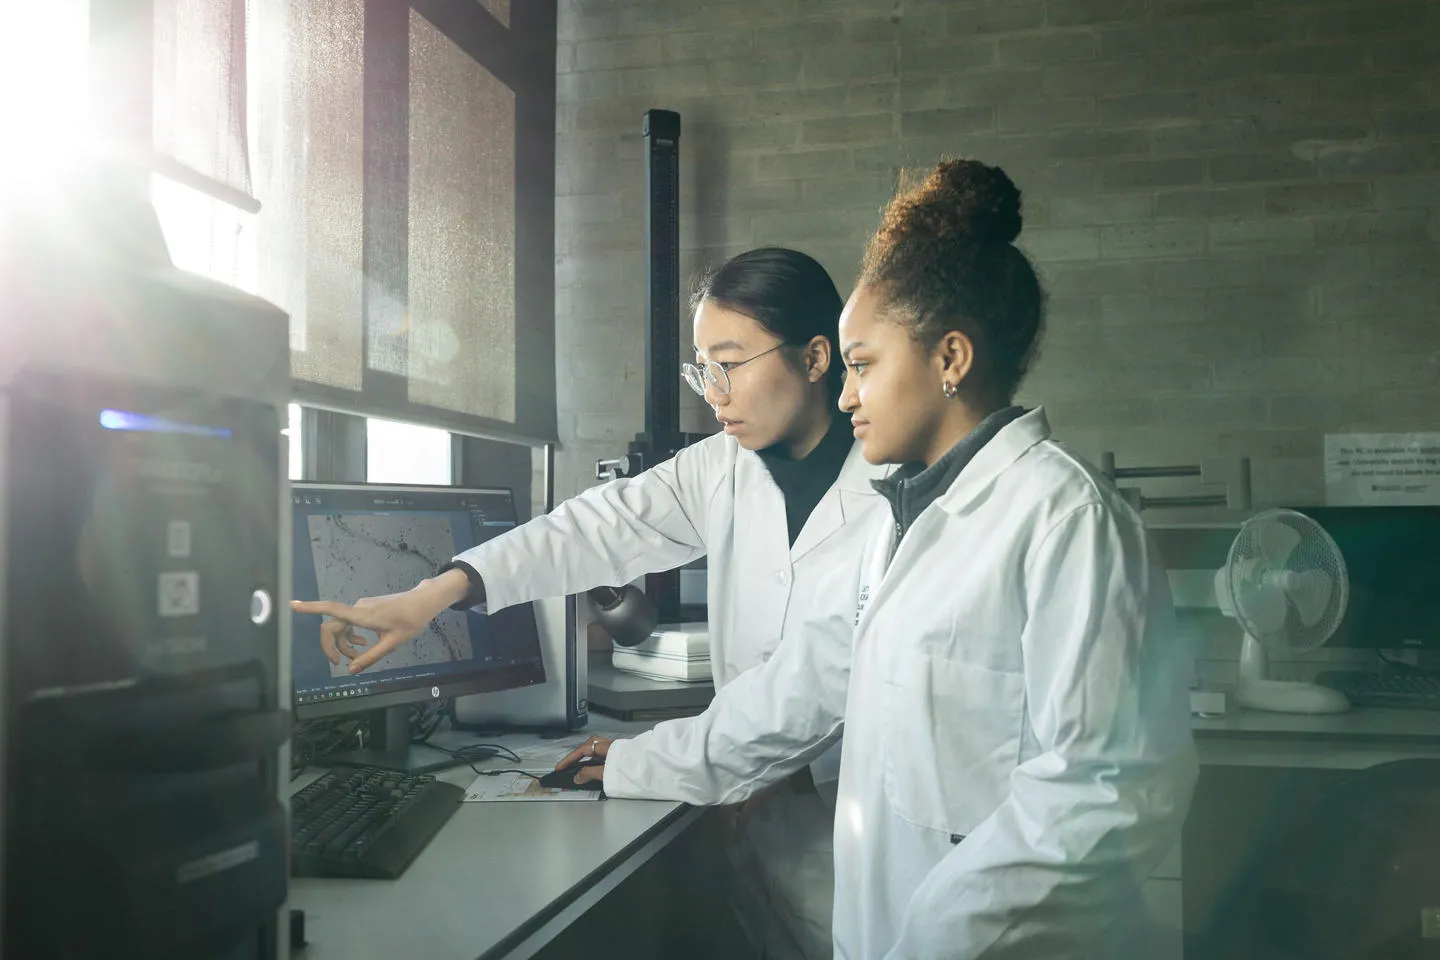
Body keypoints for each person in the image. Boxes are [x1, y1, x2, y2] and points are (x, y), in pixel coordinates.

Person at [564, 159, 1198, 958]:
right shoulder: (898, 524)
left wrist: (933, 938)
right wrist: (638, 763)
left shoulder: (1066, 521)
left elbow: (1107, 796)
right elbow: (798, 689)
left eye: (862, 365)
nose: (845, 394)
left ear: (951, 359)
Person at [292, 247, 890, 960]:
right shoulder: (722, 467)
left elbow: (814, 695)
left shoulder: (894, 498)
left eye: (728, 364)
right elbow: (592, 529)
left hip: (849, 835)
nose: (713, 393)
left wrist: (638, 762)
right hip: (745, 814)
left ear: (817, 358)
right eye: (702, 370)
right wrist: (436, 592)